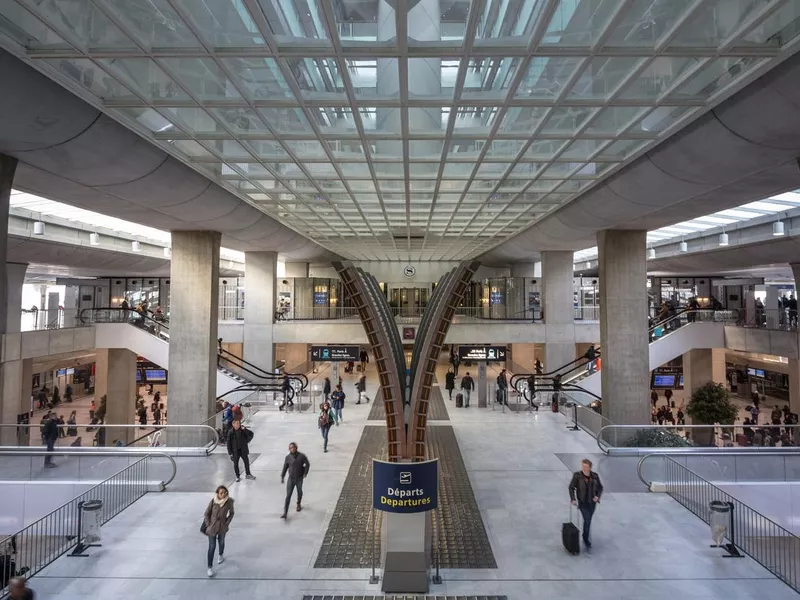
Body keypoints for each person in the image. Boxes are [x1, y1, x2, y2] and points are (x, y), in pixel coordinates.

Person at [568, 458, 604, 549]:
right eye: (583, 466)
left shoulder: (595, 476)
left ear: (590, 467)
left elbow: (600, 487)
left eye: (586, 467)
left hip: (592, 503)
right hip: (583, 502)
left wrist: (597, 496)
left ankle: (585, 535)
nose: (584, 468)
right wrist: (573, 498)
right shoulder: (577, 476)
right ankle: (585, 538)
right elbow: (571, 487)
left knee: (588, 520)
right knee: (587, 520)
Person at [203, 485, 234, 578]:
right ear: (217, 494)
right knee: (212, 547)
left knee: (221, 541)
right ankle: (209, 567)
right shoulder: (213, 501)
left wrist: (227, 522)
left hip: (222, 527)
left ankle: (221, 554)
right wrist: (208, 524)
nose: (223, 494)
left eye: (225, 493)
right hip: (212, 528)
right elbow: (206, 514)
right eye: (221, 493)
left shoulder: (229, 502)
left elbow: (232, 513)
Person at [280, 442, 310, 519]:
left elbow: (307, 464)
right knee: (288, 495)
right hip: (291, 478)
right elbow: (285, 467)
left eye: (293, 447)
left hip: (299, 478)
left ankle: (298, 503)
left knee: (299, 491)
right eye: (290, 448)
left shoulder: (301, 456)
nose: (292, 449)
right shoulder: (288, 457)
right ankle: (285, 512)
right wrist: (282, 476)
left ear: (296, 448)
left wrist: (305, 473)